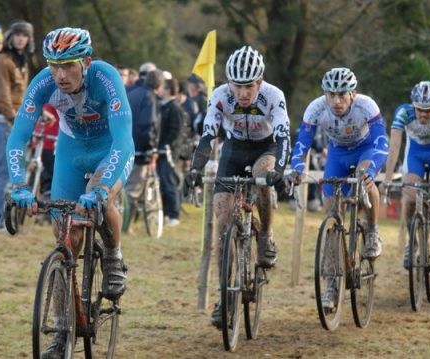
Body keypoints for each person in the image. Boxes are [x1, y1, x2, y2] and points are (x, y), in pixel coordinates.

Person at [6, 27, 133, 357]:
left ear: (86, 62)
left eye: (68, 66)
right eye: (53, 65)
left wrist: (102, 186)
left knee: (100, 199)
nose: (60, 75)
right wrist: (19, 183)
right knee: (65, 240)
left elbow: (122, 138)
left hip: (111, 149)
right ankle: (64, 328)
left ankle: (113, 255)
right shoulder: (44, 83)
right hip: (71, 152)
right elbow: (18, 136)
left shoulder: (105, 77)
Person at [184, 45, 290, 328]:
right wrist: (195, 168)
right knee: (222, 221)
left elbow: (282, 136)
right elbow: (207, 136)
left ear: (260, 80)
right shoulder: (219, 96)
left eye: (250, 86)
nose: (243, 93)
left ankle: (266, 235)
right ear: (228, 82)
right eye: (237, 86)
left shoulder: (273, 96)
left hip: (265, 148)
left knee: (262, 174)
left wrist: (278, 170)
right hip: (233, 149)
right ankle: (223, 296)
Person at [288, 67, 389, 309]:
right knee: (332, 217)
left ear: (352, 94)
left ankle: (372, 231)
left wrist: (373, 169)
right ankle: (332, 285)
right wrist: (297, 167)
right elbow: (302, 143)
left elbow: (382, 143)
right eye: (330, 94)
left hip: (365, 150)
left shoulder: (367, 106)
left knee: (366, 179)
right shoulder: (315, 109)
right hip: (337, 155)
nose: (336, 100)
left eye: (342, 94)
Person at [380, 81, 430, 274]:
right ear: (413, 105)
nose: (423, 114)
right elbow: (395, 147)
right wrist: (387, 179)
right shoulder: (403, 113)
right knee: (410, 196)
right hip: (414, 153)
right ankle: (412, 243)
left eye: (428, 110)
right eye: (419, 110)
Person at [0, 20, 33, 233]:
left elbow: (24, 95)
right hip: (4, 121)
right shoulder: (2, 60)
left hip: (13, 118)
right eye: (18, 34)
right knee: (3, 171)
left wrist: (41, 111)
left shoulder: (20, 61)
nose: (21, 38)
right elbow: (1, 97)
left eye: (25, 35)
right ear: (10, 36)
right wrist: (16, 121)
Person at [124, 69, 164, 209]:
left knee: (124, 186)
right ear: (159, 85)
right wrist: (152, 148)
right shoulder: (150, 98)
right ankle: (123, 225)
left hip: (125, 145)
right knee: (133, 189)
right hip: (140, 150)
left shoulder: (133, 94)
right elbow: (148, 125)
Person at [157, 77, 186, 226]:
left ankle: (174, 215)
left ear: (168, 90)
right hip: (160, 151)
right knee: (162, 183)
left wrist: (166, 145)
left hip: (168, 153)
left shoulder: (174, 108)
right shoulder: (162, 106)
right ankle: (166, 213)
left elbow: (177, 131)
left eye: (161, 86)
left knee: (169, 183)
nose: (159, 89)